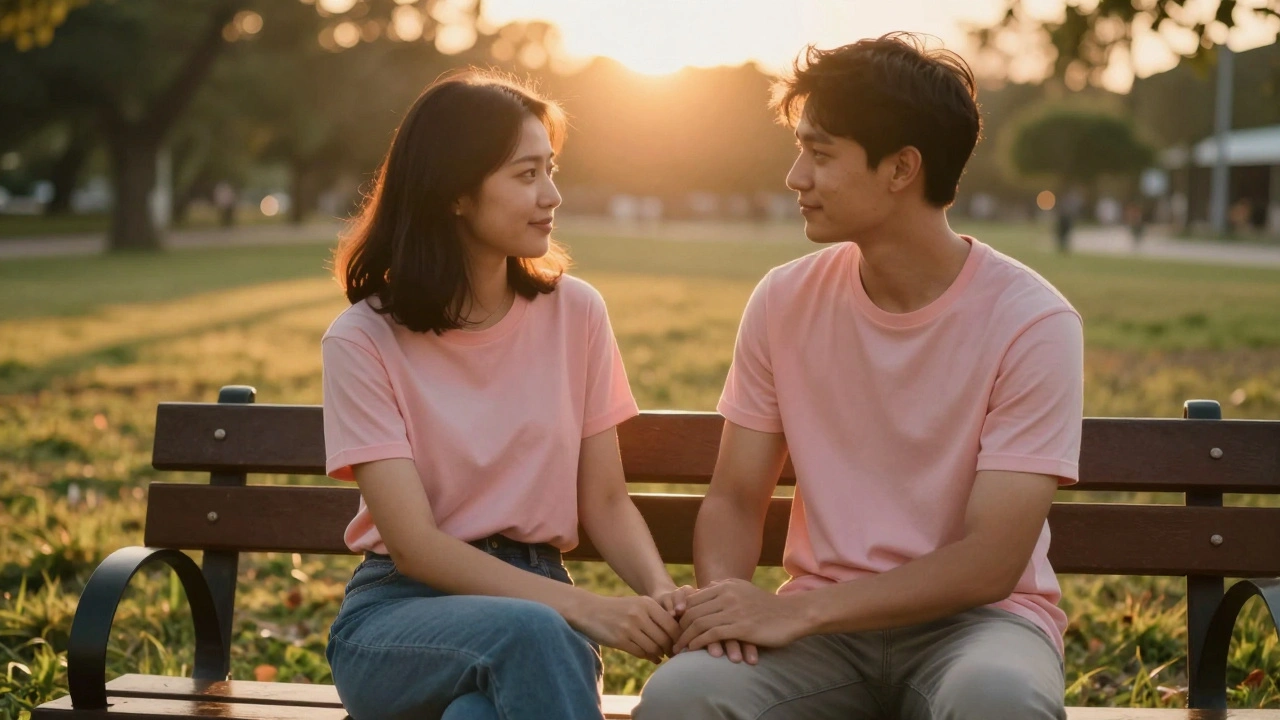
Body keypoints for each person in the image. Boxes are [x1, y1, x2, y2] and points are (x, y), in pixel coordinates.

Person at [636, 33, 1083, 720]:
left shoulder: (1033, 321)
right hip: (821, 637)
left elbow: (991, 560)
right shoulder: (784, 299)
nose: (796, 177)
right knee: (681, 698)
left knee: (999, 700)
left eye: (820, 155)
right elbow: (734, 499)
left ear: (902, 168)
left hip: (978, 626)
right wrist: (727, 609)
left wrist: (799, 613)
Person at [321, 71, 690, 720]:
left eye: (551, 169)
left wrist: (661, 595)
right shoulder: (362, 339)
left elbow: (604, 500)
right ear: (456, 194)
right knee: (532, 633)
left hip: (537, 606)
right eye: (526, 175)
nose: (552, 195)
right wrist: (588, 608)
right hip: (398, 619)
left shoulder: (576, 313)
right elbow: (414, 545)